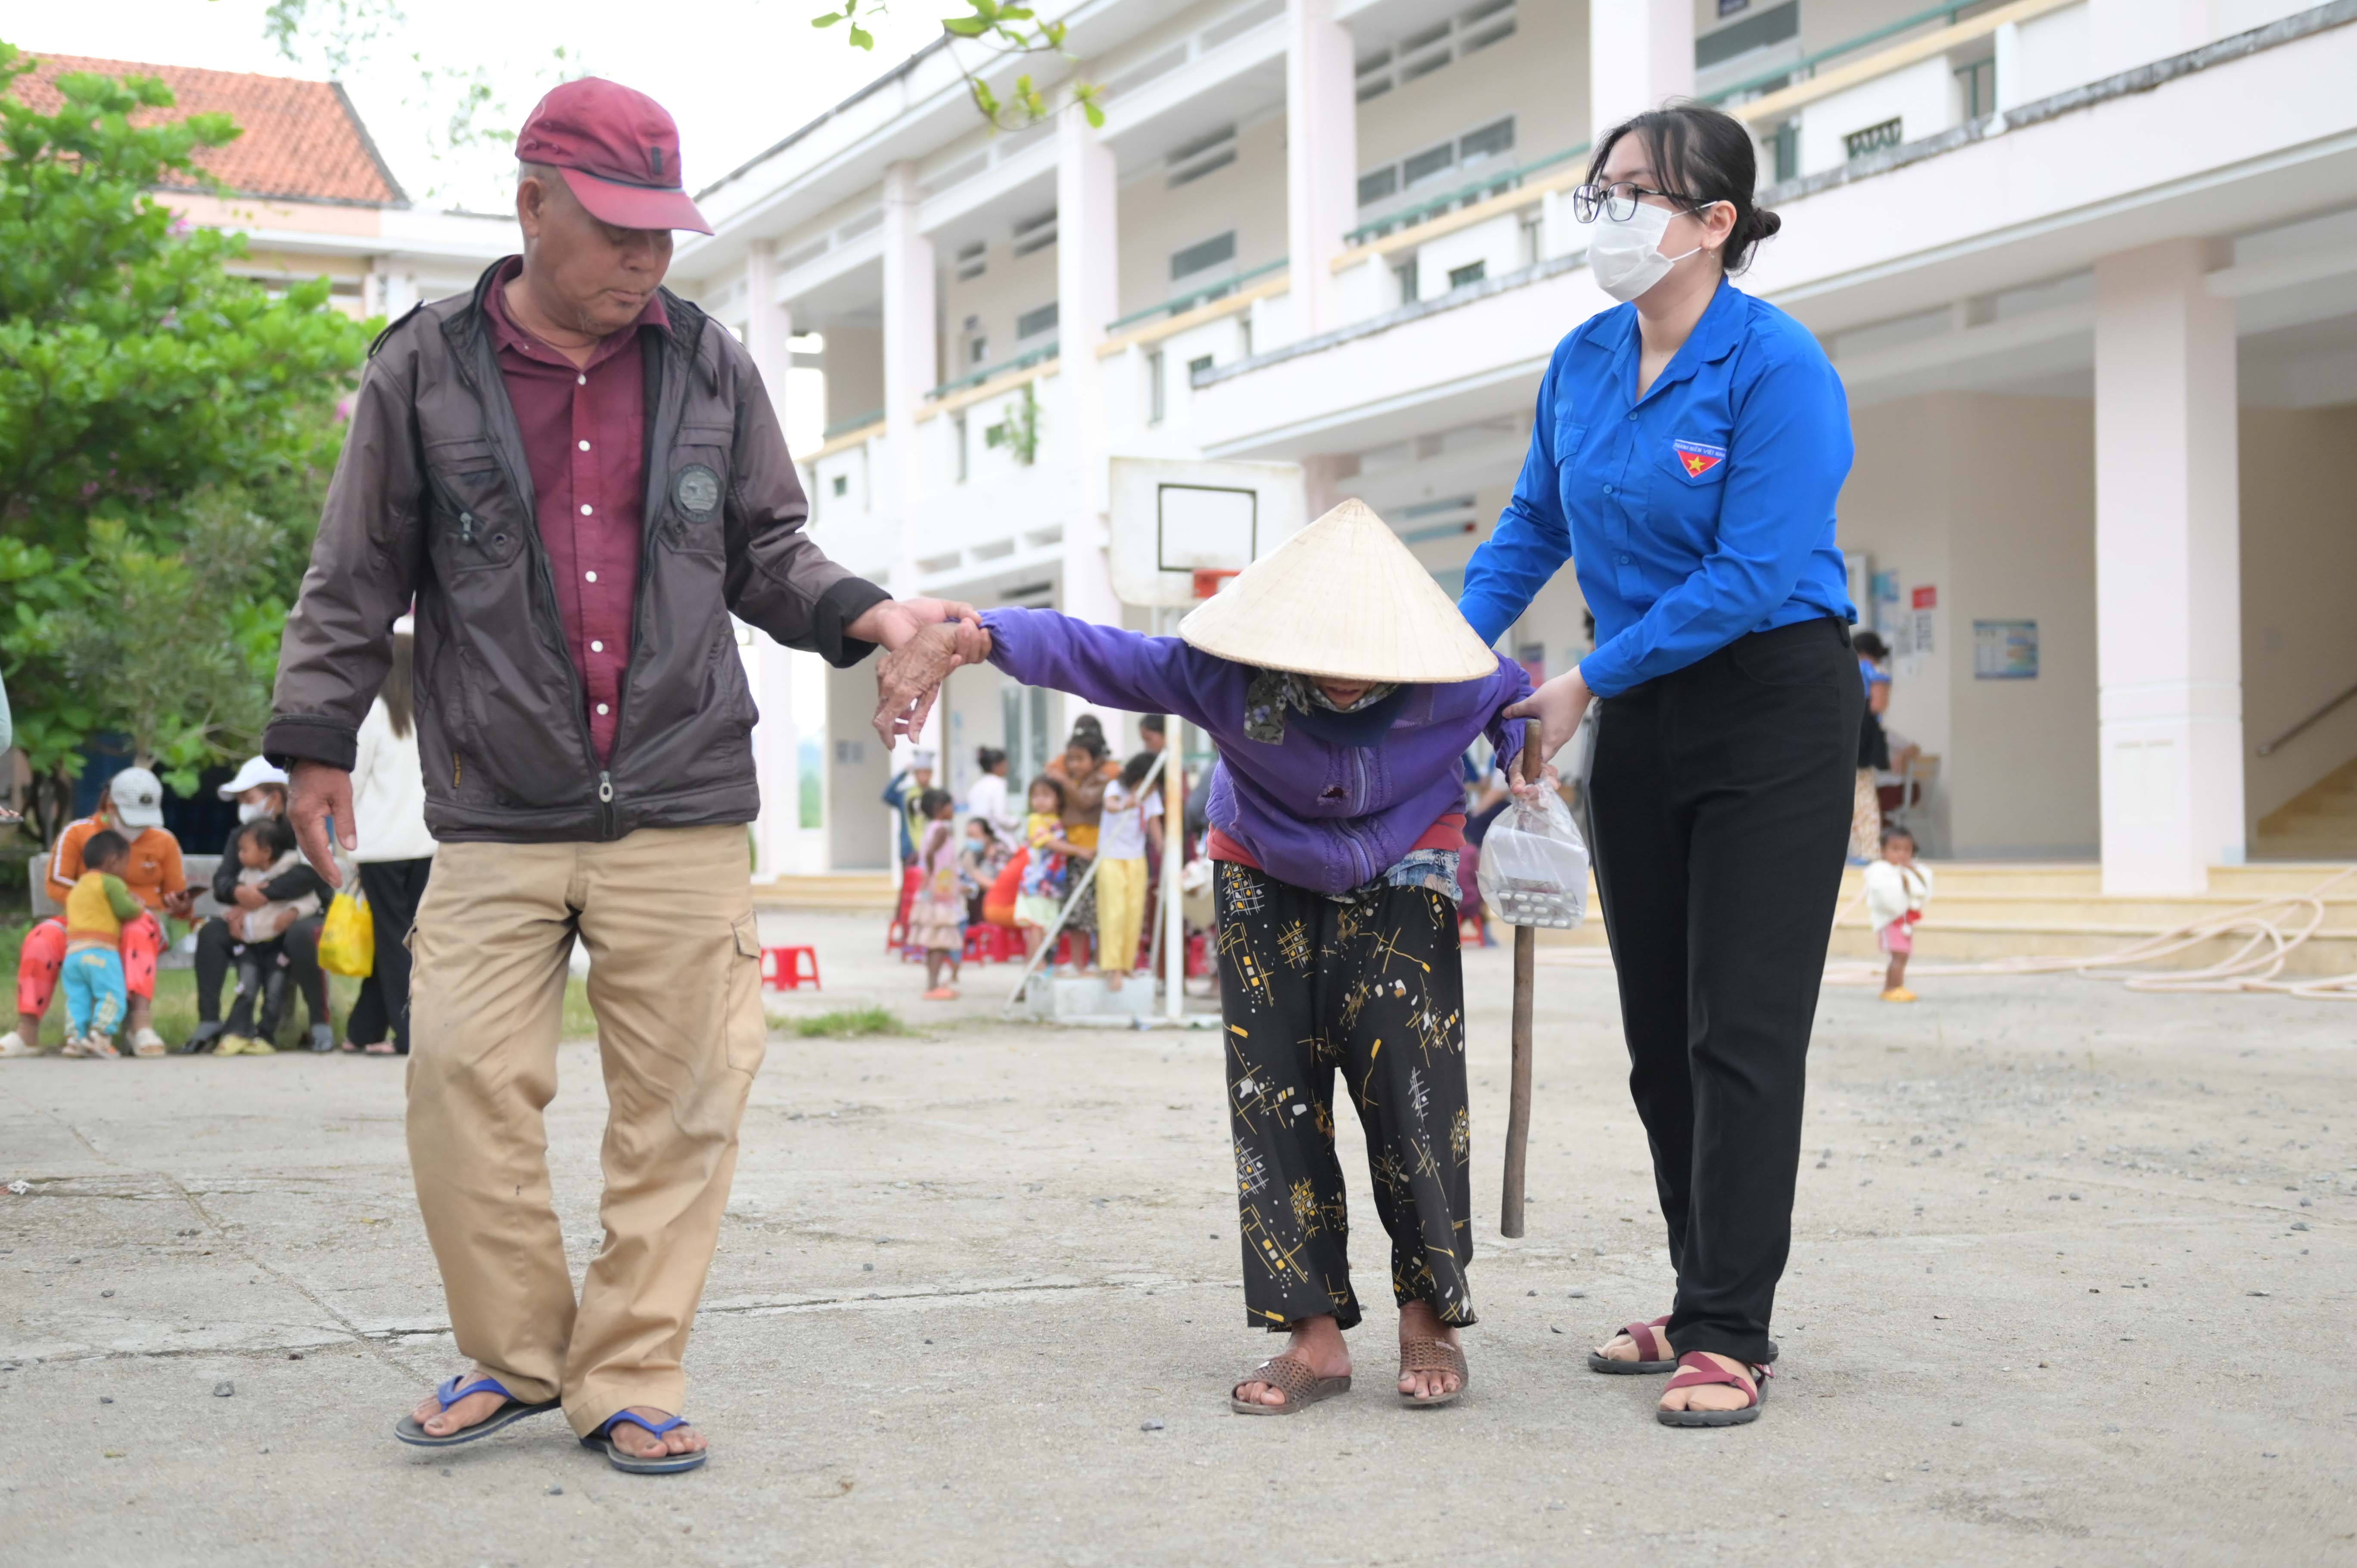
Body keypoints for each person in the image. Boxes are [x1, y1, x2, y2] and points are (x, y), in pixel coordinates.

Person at [261, 78, 972, 1472]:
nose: (649, 262)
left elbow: (771, 553)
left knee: (691, 1097)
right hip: (498, 804)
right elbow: (354, 576)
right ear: (533, 208)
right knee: (459, 1078)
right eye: (618, 233)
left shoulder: (708, 364)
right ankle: (519, 1355)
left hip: (681, 799)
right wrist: (313, 743)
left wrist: (871, 614)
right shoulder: (421, 370)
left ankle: (629, 1372)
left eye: (665, 235)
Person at [883, 498, 1533, 1411]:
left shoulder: (1454, 676)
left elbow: (1520, 702)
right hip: (1260, 864)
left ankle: (1428, 1311)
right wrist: (983, 634)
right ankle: (1312, 1330)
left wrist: (1522, 747)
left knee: (1412, 1081)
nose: (1344, 677)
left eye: (1365, 658)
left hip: (1407, 858)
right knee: (1273, 1089)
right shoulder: (1227, 674)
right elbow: (1102, 654)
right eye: (1322, 652)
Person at [1462, 103, 1863, 1426]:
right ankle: (1703, 1294)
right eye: (1601, 189)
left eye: (1640, 192)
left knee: (1740, 1029)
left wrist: (1579, 680)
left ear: (1715, 222)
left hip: (1770, 708)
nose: (1611, 212)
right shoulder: (1581, 361)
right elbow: (1532, 525)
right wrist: (1446, 661)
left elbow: (1755, 572)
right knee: (1657, 1041)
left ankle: (1731, 1331)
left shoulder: (1776, 365)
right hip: (1638, 710)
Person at [3, 767, 189, 1059]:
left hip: (141, 921)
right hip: (84, 924)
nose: (137, 829)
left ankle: (140, 1025)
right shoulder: (78, 833)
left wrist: (180, 906)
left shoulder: (164, 842)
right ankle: (27, 1031)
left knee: (136, 928)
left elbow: (178, 895)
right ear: (110, 806)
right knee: (42, 937)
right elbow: (55, 883)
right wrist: (101, 904)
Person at [189, 758, 333, 1054]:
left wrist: (263, 894)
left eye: (248, 798)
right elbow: (223, 882)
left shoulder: (306, 826)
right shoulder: (241, 835)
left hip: (299, 916)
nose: (242, 805)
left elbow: (312, 873)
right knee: (211, 934)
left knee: (303, 935)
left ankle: (320, 1023)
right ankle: (210, 1021)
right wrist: (241, 894)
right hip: (253, 923)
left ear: (275, 797)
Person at [343, 619, 436, 1056]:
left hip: (381, 846)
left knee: (393, 937)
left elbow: (353, 781)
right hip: (429, 841)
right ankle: (365, 1029)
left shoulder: (374, 714)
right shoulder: (434, 711)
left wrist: (342, 839)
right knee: (410, 937)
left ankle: (409, 1034)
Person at [213, 817, 331, 1056]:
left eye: (244, 850)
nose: (238, 855)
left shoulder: (290, 868)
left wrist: (292, 913)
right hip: (250, 945)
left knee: (275, 991)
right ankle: (236, 1032)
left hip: (277, 947)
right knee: (246, 988)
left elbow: (310, 901)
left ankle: (266, 1035)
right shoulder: (246, 876)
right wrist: (233, 917)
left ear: (266, 852)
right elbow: (235, 903)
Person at [57, 829, 142, 1059]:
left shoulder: (78, 887)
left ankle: (75, 1039)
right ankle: (101, 1036)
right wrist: (138, 905)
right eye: (126, 863)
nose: (127, 869)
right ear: (114, 862)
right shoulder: (111, 883)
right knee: (112, 994)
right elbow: (126, 910)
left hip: (73, 955)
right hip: (101, 951)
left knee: (77, 997)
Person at [1044, 726, 1115, 972]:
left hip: (1093, 854)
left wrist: (1062, 780)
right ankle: (1077, 964)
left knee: (1093, 913)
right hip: (1071, 855)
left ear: (1095, 761)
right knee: (1074, 914)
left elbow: (1085, 803)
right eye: (1070, 759)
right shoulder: (1069, 782)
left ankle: (1099, 963)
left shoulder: (1104, 781)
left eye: (1080, 759)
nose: (1073, 765)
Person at [1093, 750, 1162, 988]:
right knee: (1114, 913)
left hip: (1136, 859)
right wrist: (1126, 804)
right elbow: (1110, 805)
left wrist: (1164, 850)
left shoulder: (1151, 795)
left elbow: (1154, 824)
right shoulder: (1115, 788)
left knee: (1134, 914)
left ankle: (1127, 965)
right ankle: (1113, 968)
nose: (1152, 788)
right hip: (1111, 857)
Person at [1863, 826, 1931, 1003]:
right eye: (1895, 849)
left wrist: (1912, 873)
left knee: (1902, 955)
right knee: (1899, 955)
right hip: (1891, 921)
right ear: (1883, 851)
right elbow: (1885, 895)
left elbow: (1922, 888)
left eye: (1906, 850)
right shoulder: (1880, 871)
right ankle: (1894, 987)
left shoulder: (1909, 870)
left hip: (1903, 922)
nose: (1902, 854)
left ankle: (1892, 987)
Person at [908, 789, 965, 1000]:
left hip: (934, 890)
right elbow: (932, 853)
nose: (954, 809)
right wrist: (933, 875)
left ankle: (933, 982)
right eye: (951, 805)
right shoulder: (942, 829)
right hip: (939, 893)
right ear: (939, 809)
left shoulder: (932, 828)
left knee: (935, 940)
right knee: (940, 941)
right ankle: (933, 985)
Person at [1015, 776, 1077, 963]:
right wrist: (1080, 851)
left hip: (1053, 883)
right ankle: (1037, 965)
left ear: (1058, 799)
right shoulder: (1036, 820)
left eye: (1046, 796)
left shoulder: (1058, 821)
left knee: (1047, 925)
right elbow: (1050, 843)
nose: (1040, 800)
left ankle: (1034, 967)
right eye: (1035, 796)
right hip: (1037, 882)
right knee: (1037, 924)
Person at [881, 747, 937, 942]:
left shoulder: (935, 795)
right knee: (909, 891)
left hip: (932, 851)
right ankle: (905, 926)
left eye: (927, 772)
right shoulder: (905, 795)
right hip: (911, 850)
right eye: (920, 772)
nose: (924, 776)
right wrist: (903, 773)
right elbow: (887, 795)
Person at [1850, 631, 1894, 861]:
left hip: (1863, 734)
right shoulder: (1876, 671)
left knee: (1862, 793)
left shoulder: (1873, 672)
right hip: (1862, 732)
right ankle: (1862, 849)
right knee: (1858, 795)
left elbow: (1877, 705)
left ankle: (1868, 850)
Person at [958, 815, 1008, 930]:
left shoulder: (1001, 852)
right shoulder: (968, 852)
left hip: (995, 905)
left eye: (975, 836)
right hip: (973, 908)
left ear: (988, 836)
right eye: (968, 836)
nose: (971, 840)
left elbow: (1000, 886)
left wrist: (973, 872)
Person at [964, 746, 1019, 840]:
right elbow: (1000, 816)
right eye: (1005, 763)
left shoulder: (977, 785)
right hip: (994, 838)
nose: (1008, 766)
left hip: (977, 837)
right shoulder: (998, 784)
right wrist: (1016, 822)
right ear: (997, 766)